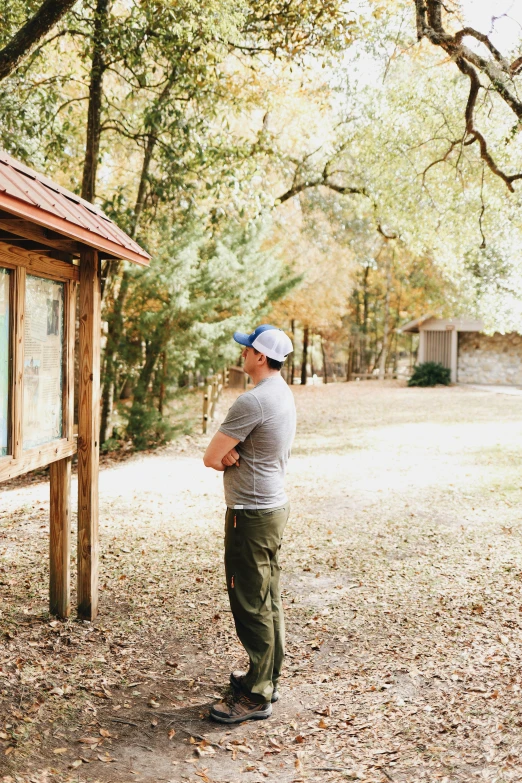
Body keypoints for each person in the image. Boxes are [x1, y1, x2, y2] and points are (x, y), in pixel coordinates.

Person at [203, 324, 296, 724]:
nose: (242, 354)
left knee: (250, 602)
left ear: (260, 357)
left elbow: (210, 455)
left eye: (247, 349)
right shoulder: (283, 392)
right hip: (272, 507)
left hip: (251, 513)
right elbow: (228, 453)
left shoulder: (253, 401)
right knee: (267, 597)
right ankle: (265, 676)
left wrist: (226, 454)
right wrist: (230, 453)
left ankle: (257, 696)